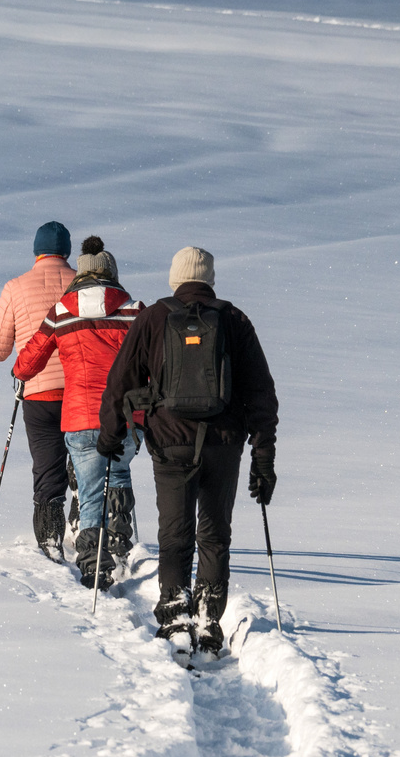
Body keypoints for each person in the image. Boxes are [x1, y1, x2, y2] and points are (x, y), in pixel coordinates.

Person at [97, 246, 278, 655]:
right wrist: (263, 456)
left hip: (169, 441)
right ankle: (210, 620)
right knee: (214, 535)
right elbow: (262, 394)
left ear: (175, 278)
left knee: (174, 533)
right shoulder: (234, 319)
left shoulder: (153, 317)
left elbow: (119, 381)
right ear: (210, 279)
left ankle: (175, 616)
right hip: (224, 444)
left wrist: (110, 437)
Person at [13, 236, 143, 589]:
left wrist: (19, 373)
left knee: (88, 493)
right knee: (117, 474)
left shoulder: (62, 312)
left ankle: (92, 562)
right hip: (126, 417)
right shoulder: (134, 310)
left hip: (80, 417)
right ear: (113, 274)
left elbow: (33, 356)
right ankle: (117, 536)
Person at [0, 221, 77, 560]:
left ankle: (50, 536)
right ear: (67, 250)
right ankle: (84, 518)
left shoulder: (16, 287)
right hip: (84, 390)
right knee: (85, 456)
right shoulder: (84, 285)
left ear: (37, 251)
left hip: (38, 392)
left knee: (47, 465)